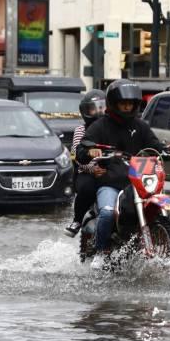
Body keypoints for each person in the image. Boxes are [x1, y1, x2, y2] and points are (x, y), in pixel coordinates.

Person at [75, 79, 170, 270]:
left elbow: (154, 146)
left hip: (137, 183)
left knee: (155, 205)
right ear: (114, 104)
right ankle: (101, 251)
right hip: (110, 183)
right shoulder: (100, 126)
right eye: (123, 103)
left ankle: (167, 252)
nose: (127, 107)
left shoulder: (140, 126)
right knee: (107, 213)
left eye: (130, 104)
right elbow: (83, 147)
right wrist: (90, 151)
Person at [65, 89, 106, 237]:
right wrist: (92, 169)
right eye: (94, 108)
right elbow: (76, 156)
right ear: (86, 111)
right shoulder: (81, 130)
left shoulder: (113, 128)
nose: (99, 111)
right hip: (87, 172)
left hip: (111, 170)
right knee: (88, 187)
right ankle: (77, 220)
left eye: (102, 107)